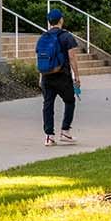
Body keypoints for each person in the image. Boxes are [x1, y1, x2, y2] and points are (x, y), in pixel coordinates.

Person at [36, 8, 81, 145]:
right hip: (62, 76)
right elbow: (72, 58)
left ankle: (49, 136)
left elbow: (40, 58)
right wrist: (77, 77)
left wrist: (40, 76)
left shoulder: (43, 37)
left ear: (49, 22)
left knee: (48, 104)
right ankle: (65, 131)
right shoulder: (66, 37)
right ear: (61, 20)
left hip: (46, 76)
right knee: (70, 101)